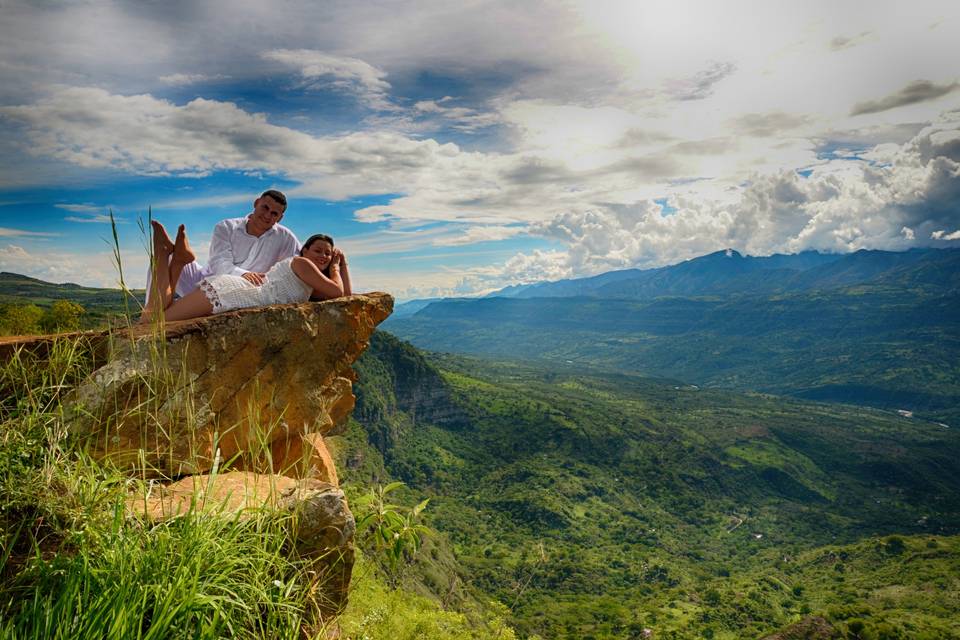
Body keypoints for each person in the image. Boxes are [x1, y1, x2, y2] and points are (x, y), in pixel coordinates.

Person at [140, 221, 351, 323]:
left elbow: (347, 297)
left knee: (155, 317)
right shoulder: (301, 264)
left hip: (238, 294)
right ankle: (164, 254)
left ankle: (175, 260)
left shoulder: (310, 281)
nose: (323, 256)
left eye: (328, 254)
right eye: (318, 250)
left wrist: (343, 265)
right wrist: (334, 267)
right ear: (304, 250)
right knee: (154, 323)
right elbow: (337, 292)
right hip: (234, 293)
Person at [143, 190, 299, 315]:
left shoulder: (286, 237)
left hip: (239, 291)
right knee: (165, 261)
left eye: (274, 213)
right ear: (256, 203)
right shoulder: (226, 227)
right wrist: (242, 273)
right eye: (265, 207)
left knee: (170, 263)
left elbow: (295, 264)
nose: (267, 215)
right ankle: (168, 258)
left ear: (280, 218)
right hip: (204, 279)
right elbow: (219, 263)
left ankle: (152, 312)